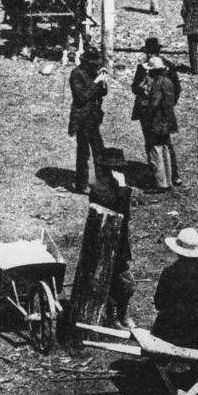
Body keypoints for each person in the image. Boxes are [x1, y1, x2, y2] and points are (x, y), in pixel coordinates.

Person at [89, 147, 135, 328]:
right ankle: (113, 315)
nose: (120, 171)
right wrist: (124, 187)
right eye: (117, 168)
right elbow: (121, 214)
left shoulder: (110, 187)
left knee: (122, 282)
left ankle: (120, 314)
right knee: (118, 281)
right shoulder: (101, 190)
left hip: (119, 243)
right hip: (107, 244)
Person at [130, 37, 182, 184]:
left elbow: (135, 88)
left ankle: (160, 177)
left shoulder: (148, 67)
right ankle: (172, 175)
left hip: (151, 112)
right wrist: (168, 106)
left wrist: (163, 105)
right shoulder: (167, 65)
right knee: (165, 144)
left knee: (153, 144)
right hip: (162, 112)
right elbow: (177, 88)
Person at [67, 45, 109, 193]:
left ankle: (101, 182)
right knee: (84, 152)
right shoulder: (76, 74)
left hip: (93, 117)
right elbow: (82, 96)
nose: (95, 67)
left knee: (99, 151)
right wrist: (96, 82)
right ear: (85, 62)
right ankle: (81, 184)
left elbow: (102, 93)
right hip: (82, 118)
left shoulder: (93, 72)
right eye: (93, 64)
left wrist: (103, 80)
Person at [139, 55, 179, 192]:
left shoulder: (157, 83)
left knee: (155, 150)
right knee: (165, 148)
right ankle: (168, 179)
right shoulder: (168, 81)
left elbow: (154, 103)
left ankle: (160, 183)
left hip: (157, 120)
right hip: (168, 119)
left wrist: (146, 111)